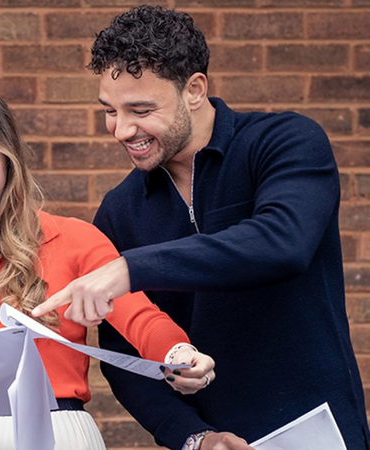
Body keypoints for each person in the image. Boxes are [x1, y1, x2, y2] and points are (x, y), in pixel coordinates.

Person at [31, 5, 370, 450]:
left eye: (140, 109)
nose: (120, 129)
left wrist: (129, 269)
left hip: (322, 431)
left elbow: (283, 242)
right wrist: (194, 438)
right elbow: (126, 360)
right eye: (110, 110)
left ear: (194, 89)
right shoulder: (119, 211)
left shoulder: (284, 142)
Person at [0, 80, 215, 450]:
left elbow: (139, 317)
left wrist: (178, 354)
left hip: (64, 434)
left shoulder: (75, 239)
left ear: (9, 160)